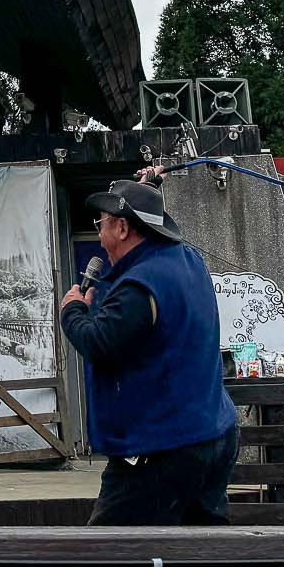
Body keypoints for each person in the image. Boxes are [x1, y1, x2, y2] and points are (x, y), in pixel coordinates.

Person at [59, 175, 239, 525]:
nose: (98, 234)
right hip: (213, 430)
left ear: (122, 228)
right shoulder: (188, 260)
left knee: (110, 558)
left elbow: (99, 342)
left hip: (162, 444)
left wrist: (72, 311)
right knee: (199, 556)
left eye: (102, 224)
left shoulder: (140, 286)